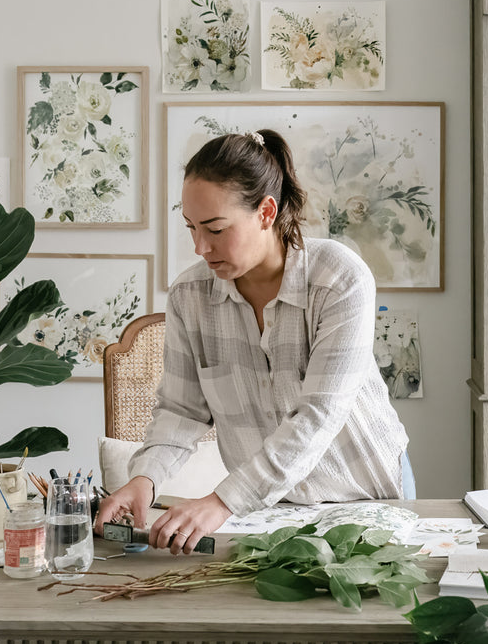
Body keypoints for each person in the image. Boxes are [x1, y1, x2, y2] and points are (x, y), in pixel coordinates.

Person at [94, 129, 410, 554]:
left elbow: (318, 415)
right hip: (265, 509)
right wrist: (143, 479)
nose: (200, 247)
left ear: (266, 211)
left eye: (216, 229)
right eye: (191, 228)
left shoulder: (339, 279)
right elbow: (181, 411)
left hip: (362, 493)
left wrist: (222, 501)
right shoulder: (190, 297)